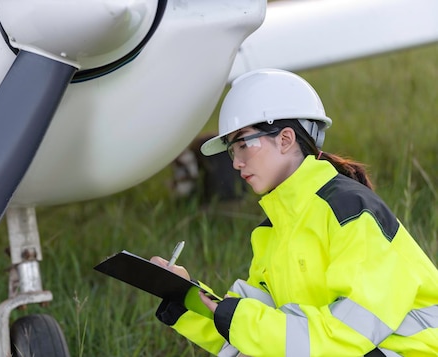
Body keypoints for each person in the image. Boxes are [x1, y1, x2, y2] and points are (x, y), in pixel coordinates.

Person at [151, 68, 438, 357]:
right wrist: (185, 300)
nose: (236, 163)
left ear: (286, 139)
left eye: (243, 144)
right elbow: (258, 338)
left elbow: (348, 337)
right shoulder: (273, 230)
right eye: (231, 150)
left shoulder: (350, 211)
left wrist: (239, 319)